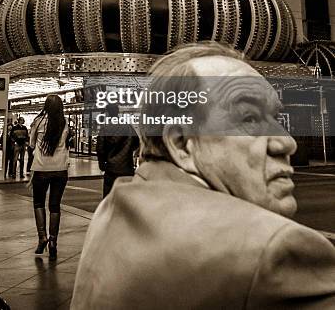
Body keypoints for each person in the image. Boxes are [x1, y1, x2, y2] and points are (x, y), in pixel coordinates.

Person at [71, 42, 335, 309]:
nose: (287, 142)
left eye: (276, 118)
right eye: (250, 119)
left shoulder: (112, 209)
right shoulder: (273, 249)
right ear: (182, 143)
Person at [29, 94, 71, 259]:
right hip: (61, 169)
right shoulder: (65, 122)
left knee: (38, 202)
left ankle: (42, 238)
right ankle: (53, 241)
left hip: (41, 168)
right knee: (55, 205)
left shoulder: (38, 121)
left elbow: (31, 143)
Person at [96, 103, 139, 197]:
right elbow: (136, 143)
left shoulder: (105, 128)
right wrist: (128, 151)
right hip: (127, 168)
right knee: (126, 197)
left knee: (109, 197)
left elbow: (100, 148)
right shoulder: (128, 126)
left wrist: (102, 164)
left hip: (111, 168)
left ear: (107, 113)